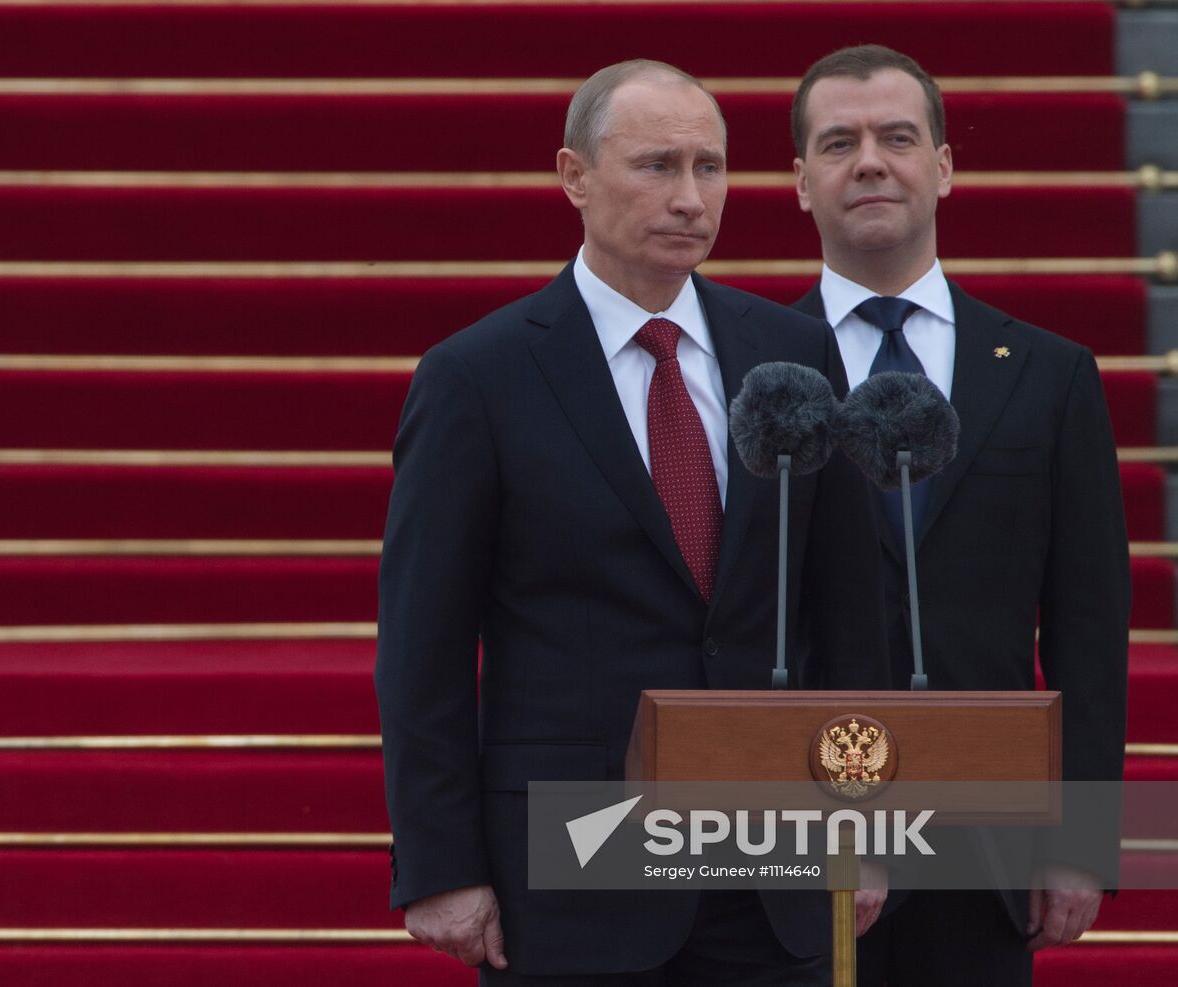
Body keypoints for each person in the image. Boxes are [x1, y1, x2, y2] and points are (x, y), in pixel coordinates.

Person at [375, 59, 890, 986]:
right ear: (574, 176)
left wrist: (868, 820)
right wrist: (442, 866)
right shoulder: (476, 378)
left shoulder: (795, 352)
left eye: (712, 167)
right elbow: (425, 647)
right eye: (657, 166)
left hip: (772, 860)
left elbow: (848, 614)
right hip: (573, 870)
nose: (691, 198)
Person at [789, 44, 1131, 986]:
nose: (870, 161)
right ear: (800, 182)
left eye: (898, 137)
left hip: (988, 847)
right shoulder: (753, 375)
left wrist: (1080, 836)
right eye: (839, 143)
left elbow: (1089, 627)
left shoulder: (1051, 377)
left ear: (943, 166)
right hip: (798, 850)